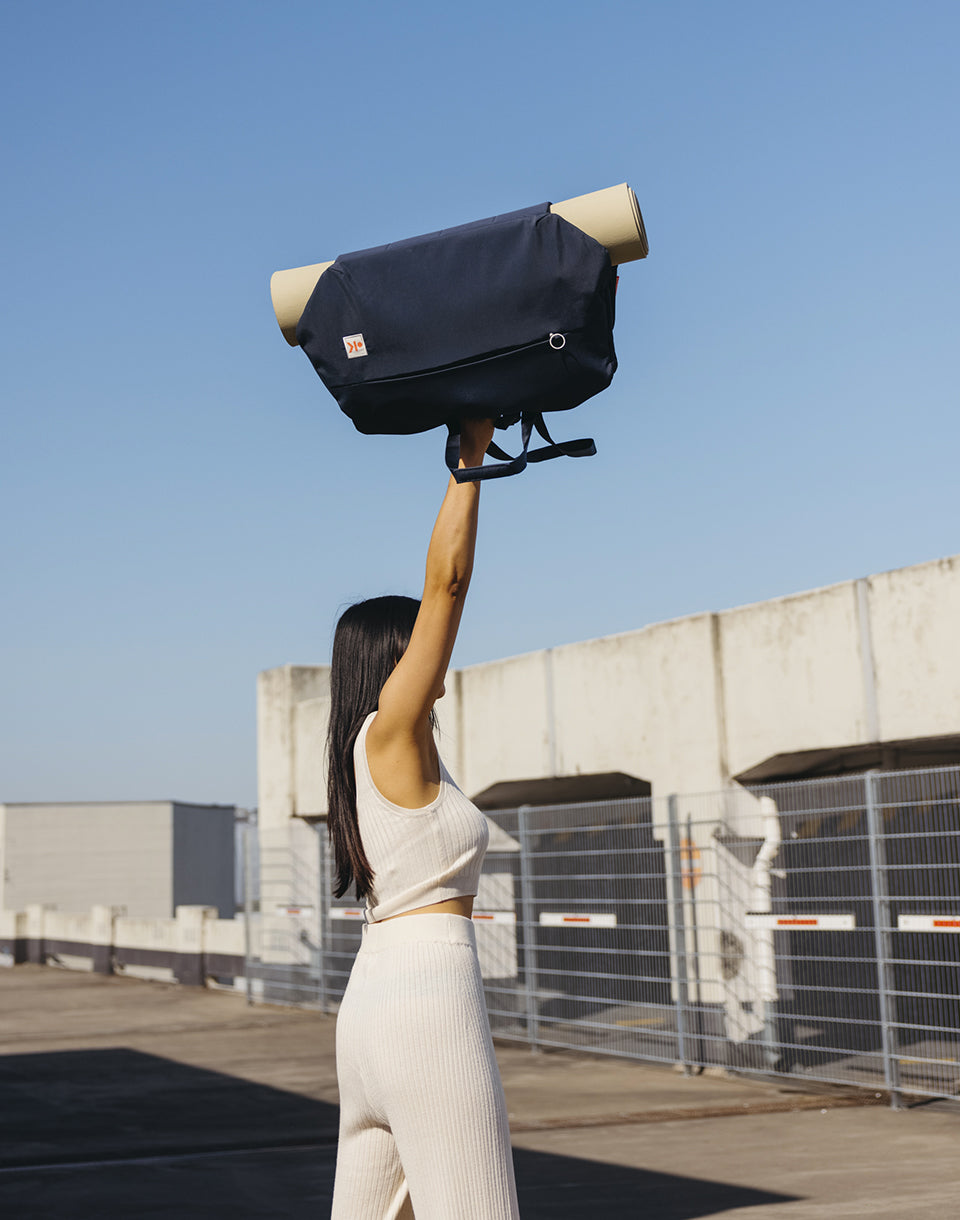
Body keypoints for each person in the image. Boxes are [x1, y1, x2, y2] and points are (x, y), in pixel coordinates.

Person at [327, 417, 521, 1220]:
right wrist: (468, 458)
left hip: (371, 1005)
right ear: (392, 659)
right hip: (428, 1001)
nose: (433, 657)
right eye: (416, 650)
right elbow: (447, 585)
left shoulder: (368, 753)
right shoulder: (391, 731)